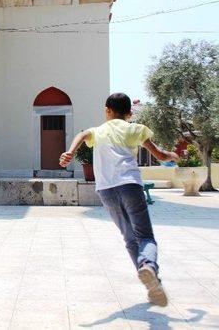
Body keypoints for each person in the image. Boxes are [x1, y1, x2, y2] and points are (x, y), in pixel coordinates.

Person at [60, 93, 179, 307]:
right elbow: (159, 155)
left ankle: (153, 284)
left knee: (129, 238)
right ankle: (149, 267)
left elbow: (83, 135)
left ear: (107, 110)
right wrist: (172, 155)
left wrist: (70, 151)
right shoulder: (135, 129)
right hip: (130, 185)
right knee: (145, 237)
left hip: (106, 190)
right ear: (129, 113)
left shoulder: (98, 131)